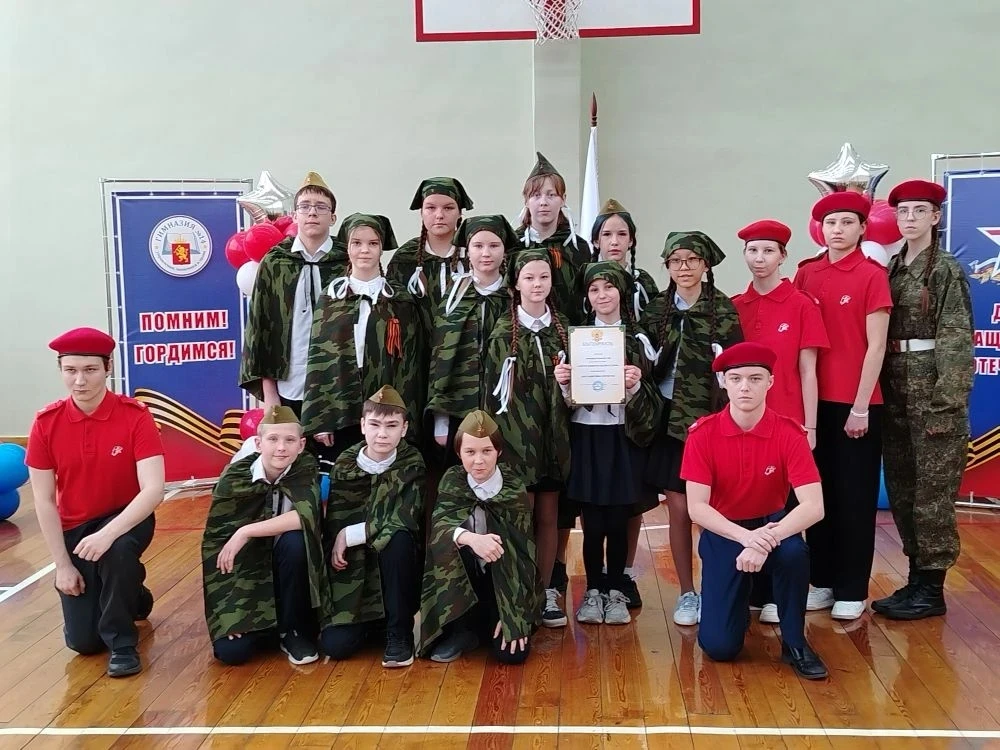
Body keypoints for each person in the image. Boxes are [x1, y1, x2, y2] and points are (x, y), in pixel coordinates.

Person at [682, 342, 828, 680]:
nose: (745, 387)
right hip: (725, 531)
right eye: (736, 379)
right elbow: (697, 508)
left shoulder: (789, 433)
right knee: (719, 648)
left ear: (770, 383)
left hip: (772, 526)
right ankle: (737, 603)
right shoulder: (702, 435)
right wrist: (746, 538)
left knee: (794, 553)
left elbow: (814, 506)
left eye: (755, 378)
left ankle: (794, 643)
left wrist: (765, 539)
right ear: (723, 383)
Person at [26, 327, 165, 677]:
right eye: (70, 370)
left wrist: (108, 533)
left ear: (108, 368)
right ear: (61, 370)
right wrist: (62, 566)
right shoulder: (45, 423)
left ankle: (123, 644)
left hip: (127, 517)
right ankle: (135, 593)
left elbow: (153, 490)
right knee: (84, 643)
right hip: (76, 526)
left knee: (117, 551)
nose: (79, 380)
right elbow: (43, 499)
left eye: (90, 370)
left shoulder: (136, 416)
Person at [551, 198, 661, 608]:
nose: (602, 294)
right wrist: (565, 384)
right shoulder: (576, 337)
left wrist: (632, 385)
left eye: (610, 287)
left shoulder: (638, 339)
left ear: (622, 290)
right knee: (592, 517)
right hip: (587, 433)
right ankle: (594, 589)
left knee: (619, 515)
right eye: (594, 289)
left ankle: (617, 587)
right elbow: (566, 402)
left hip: (621, 435)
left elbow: (652, 397)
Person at [874, 179, 974, 620]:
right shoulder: (894, 266)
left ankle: (932, 589)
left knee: (933, 492)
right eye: (903, 211)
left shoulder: (945, 269)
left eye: (919, 211)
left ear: (936, 217)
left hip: (932, 390)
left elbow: (956, 339)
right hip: (895, 385)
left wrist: (947, 404)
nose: (910, 218)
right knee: (903, 487)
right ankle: (916, 579)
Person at [793, 191, 891, 621]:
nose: (838, 230)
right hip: (813, 404)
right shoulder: (806, 273)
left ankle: (851, 587)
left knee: (854, 497)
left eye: (847, 222)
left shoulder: (872, 275)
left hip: (856, 403)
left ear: (862, 228)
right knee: (818, 494)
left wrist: (861, 406)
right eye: (831, 223)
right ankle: (822, 581)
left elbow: (876, 346)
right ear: (821, 229)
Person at [640, 232, 743, 626]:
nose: (683, 268)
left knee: (714, 508)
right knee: (680, 508)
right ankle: (687, 591)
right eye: (675, 261)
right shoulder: (656, 309)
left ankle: (721, 587)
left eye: (692, 260)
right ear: (667, 266)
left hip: (710, 422)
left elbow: (738, 370)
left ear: (705, 264)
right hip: (668, 421)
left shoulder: (723, 308)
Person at [732, 219, 829, 624]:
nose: (760, 258)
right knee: (749, 501)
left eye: (768, 251)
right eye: (753, 250)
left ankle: (780, 593)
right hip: (745, 424)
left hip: (788, 424)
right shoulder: (736, 305)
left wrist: (810, 427)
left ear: (783, 256)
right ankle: (752, 589)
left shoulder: (801, 304)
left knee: (786, 510)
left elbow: (809, 371)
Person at [484, 248, 571, 628]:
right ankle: (518, 593)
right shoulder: (503, 332)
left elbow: (579, 392)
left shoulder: (564, 329)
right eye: (529, 278)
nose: (537, 284)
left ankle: (546, 590)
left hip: (554, 441)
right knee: (520, 516)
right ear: (516, 284)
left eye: (544, 277)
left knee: (549, 516)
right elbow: (490, 395)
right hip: (515, 443)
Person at [202, 406, 326, 666]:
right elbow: (216, 545)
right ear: (258, 443)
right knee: (232, 653)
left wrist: (245, 531)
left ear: (302, 445)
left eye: (289, 440)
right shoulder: (234, 478)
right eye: (273, 439)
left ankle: (293, 629)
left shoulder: (305, 469)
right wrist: (228, 614)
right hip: (249, 574)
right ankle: (267, 626)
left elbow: (306, 516)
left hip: (289, 570)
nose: (281, 448)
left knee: (296, 542)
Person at [238, 171, 346, 469]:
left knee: (335, 471)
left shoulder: (347, 260)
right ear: (295, 214)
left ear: (333, 217)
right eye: (305, 206)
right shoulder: (276, 262)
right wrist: (270, 396)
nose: (312, 212)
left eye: (321, 207)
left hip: (338, 391)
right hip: (290, 387)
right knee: (291, 470)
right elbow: (260, 330)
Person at [300, 214, 426, 461]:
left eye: (373, 243)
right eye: (357, 243)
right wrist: (321, 418)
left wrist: (405, 418)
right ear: (347, 247)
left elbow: (411, 366)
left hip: (386, 410)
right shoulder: (331, 297)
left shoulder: (399, 299)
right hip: (341, 405)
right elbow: (319, 361)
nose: (365, 250)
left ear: (381, 248)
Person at [419, 410, 541, 664]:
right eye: (470, 452)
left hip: (502, 580)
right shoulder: (452, 481)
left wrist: (513, 614)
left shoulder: (513, 486)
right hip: (464, 578)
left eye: (487, 451)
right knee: (450, 544)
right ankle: (460, 630)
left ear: (499, 451)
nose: (478, 461)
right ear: (458, 453)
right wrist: (471, 539)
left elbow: (522, 553)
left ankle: (493, 621)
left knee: (512, 655)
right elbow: (439, 527)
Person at [320, 386, 426, 668]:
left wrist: (350, 534)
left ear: (404, 429)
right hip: (355, 571)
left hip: (394, 563)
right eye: (375, 424)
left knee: (398, 538)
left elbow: (405, 516)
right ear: (362, 425)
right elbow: (335, 522)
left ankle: (399, 632)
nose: (382, 434)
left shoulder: (411, 462)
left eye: (391, 426)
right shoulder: (345, 464)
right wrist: (340, 537)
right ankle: (371, 621)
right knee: (336, 646)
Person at [427, 215, 520, 462]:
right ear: (467, 251)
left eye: (494, 245)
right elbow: (441, 361)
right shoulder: (454, 297)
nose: (486, 253)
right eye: (478, 246)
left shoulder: (514, 298)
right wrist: (441, 419)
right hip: (459, 411)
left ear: (504, 250)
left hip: (506, 411)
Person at [386, 177, 475, 323]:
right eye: (431, 208)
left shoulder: (475, 254)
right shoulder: (405, 257)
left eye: (448, 208)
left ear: (460, 213)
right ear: (421, 212)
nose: (439, 215)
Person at [513, 152, 589, 323]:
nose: (543, 202)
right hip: (522, 331)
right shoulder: (513, 246)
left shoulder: (578, 248)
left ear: (563, 200)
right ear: (526, 201)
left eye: (551, 195)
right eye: (536, 195)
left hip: (570, 329)